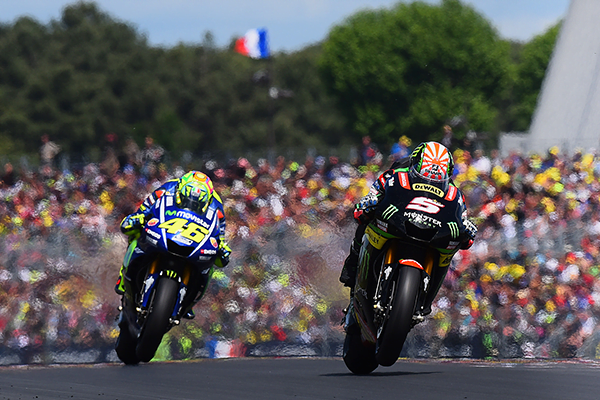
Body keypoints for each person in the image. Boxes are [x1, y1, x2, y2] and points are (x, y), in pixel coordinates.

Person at [339, 141, 477, 322]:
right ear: (418, 163)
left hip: (431, 230)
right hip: (399, 220)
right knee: (365, 224)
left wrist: (466, 228)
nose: (432, 175)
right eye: (429, 169)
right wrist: (369, 202)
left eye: (439, 171)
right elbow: (377, 190)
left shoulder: (454, 193)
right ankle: (352, 271)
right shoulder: (397, 173)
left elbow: (461, 216)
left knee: (451, 251)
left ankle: (422, 302)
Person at [114, 171, 232, 316]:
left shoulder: (216, 205)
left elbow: (219, 233)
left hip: (193, 238)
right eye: (188, 198)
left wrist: (222, 247)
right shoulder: (167, 188)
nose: (192, 203)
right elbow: (145, 208)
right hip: (166, 229)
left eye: (197, 202)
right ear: (180, 190)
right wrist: (139, 218)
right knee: (135, 232)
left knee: (213, 261)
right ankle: (123, 275)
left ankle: (190, 302)